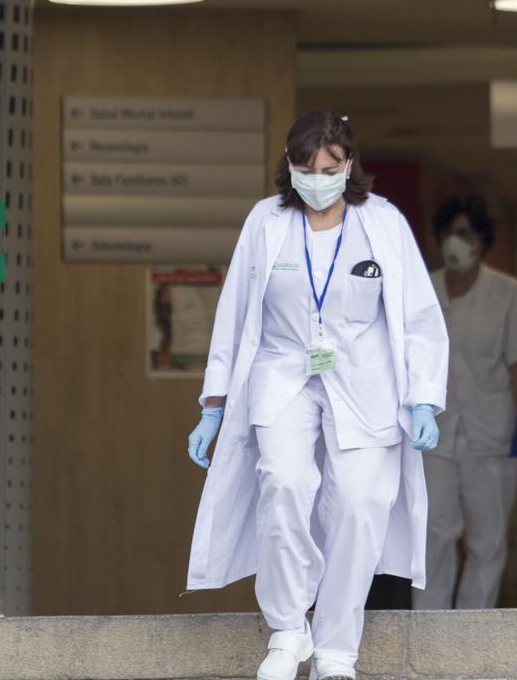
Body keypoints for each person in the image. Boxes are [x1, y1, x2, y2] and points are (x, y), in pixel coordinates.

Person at [182, 110, 449, 680]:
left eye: (330, 168)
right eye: (307, 167)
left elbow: (419, 318)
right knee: (282, 483)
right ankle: (287, 628)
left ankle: (336, 648)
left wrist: (423, 397)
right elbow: (234, 316)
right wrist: (214, 405)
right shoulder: (266, 221)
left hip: (365, 381)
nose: (318, 178)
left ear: (348, 165)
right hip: (282, 372)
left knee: (357, 505)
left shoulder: (383, 222)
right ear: (290, 165)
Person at [413, 196, 517, 610]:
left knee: (487, 541)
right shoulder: (422, 290)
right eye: (449, 232)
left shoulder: (507, 293)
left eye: (465, 233)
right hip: (434, 434)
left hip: (492, 436)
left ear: (482, 241)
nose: (456, 241)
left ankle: (471, 636)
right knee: (434, 532)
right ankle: (429, 630)